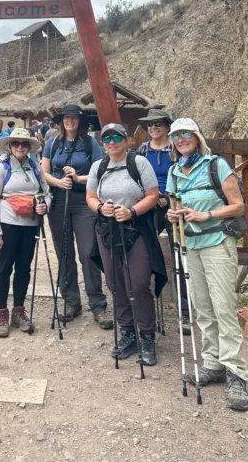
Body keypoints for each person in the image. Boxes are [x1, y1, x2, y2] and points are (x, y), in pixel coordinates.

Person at [166, 118, 248, 411]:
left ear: (197, 136)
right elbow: (173, 206)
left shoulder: (216, 165)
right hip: (190, 246)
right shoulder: (174, 171)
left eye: (186, 134)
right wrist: (173, 216)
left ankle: (236, 374)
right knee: (202, 307)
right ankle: (213, 363)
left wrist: (207, 215)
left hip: (218, 242)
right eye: (176, 136)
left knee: (224, 306)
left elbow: (238, 206)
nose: (181, 139)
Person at [87, 123, 166, 365]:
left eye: (117, 137)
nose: (111, 142)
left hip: (136, 228)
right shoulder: (98, 167)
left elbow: (153, 195)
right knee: (115, 282)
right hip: (108, 231)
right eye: (107, 138)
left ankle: (147, 335)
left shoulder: (139, 163)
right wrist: (101, 208)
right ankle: (128, 332)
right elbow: (90, 197)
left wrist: (131, 211)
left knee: (139, 282)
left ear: (126, 140)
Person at [41, 104, 112, 328]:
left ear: (79, 121)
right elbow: (44, 172)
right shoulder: (52, 144)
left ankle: (97, 304)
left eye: (74, 118)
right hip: (59, 200)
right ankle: (71, 301)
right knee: (64, 252)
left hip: (83, 201)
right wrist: (59, 181)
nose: (70, 121)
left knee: (87, 252)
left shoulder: (90, 143)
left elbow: (100, 170)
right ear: (61, 121)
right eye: (66, 118)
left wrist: (79, 178)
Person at [0, 127, 51, 337]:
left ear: (29, 147)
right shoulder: (2, 167)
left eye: (24, 144)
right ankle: (2, 312)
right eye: (16, 143)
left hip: (30, 224)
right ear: (10, 146)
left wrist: (45, 206)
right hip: (8, 224)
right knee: (4, 267)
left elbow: (46, 193)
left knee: (24, 267)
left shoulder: (36, 167)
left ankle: (18, 309)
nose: (20, 147)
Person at [137, 108, 189, 331]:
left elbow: (184, 177)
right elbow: (137, 176)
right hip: (149, 205)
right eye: (150, 124)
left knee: (179, 255)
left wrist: (166, 198)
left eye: (158, 123)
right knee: (143, 251)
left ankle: (184, 312)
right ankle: (145, 306)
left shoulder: (175, 150)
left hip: (173, 206)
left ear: (167, 126)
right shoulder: (142, 150)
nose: (154, 127)